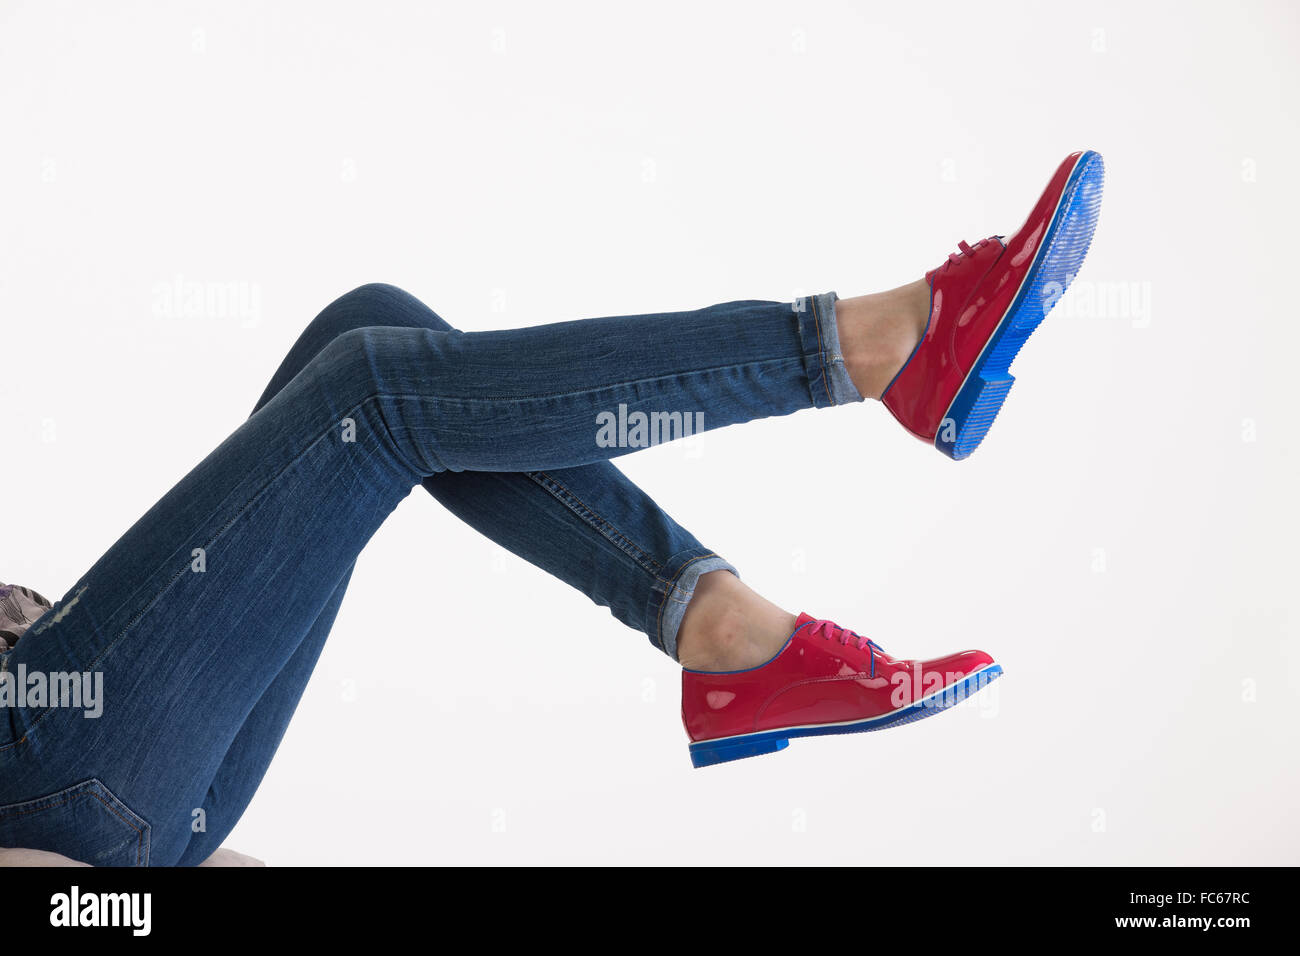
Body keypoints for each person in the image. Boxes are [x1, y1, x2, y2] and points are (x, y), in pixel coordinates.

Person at [0, 150, 1105, 866]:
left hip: (130, 771)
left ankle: (716, 625)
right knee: (376, 391)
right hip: (43, 757)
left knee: (367, 329)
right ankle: (874, 347)